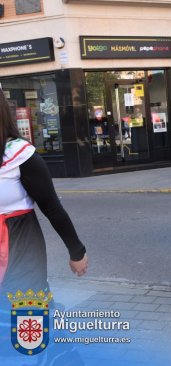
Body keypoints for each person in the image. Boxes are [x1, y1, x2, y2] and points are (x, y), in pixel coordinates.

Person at [0, 90, 88, 305]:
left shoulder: (18, 154)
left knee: (27, 316)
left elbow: (52, 207)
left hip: (19, 245)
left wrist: (77, 252)